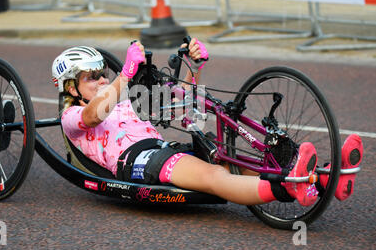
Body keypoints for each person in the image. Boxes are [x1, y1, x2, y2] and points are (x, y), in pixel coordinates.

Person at [53, 40, 363, 207]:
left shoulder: (121, 102)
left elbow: (181, 104)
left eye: (103, 73)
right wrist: (124, 75)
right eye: (91, 77)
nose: (101, 79)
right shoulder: (71, 118)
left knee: (234, 161)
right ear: (70, 88)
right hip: (136, 162)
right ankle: (287, 190)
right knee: (213, 174)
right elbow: (94, 115)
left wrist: (193, 66)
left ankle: (324, 178)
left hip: (163, 150)